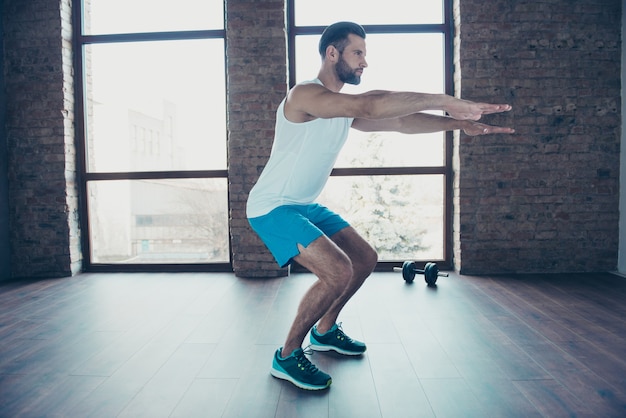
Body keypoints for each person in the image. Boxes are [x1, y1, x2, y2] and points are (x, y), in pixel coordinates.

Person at [246, 21, 514, 391]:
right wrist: (445, 100)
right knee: (337, 271)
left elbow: (400, 121)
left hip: (304, 204)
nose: (364, 62)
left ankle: (324, 331)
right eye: (358, 53)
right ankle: (288, 354)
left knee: (365, 259)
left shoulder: (339, 107)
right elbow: (370, 105)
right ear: (332, 53)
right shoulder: (305, 95)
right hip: (271, 207)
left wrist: (456, 125)